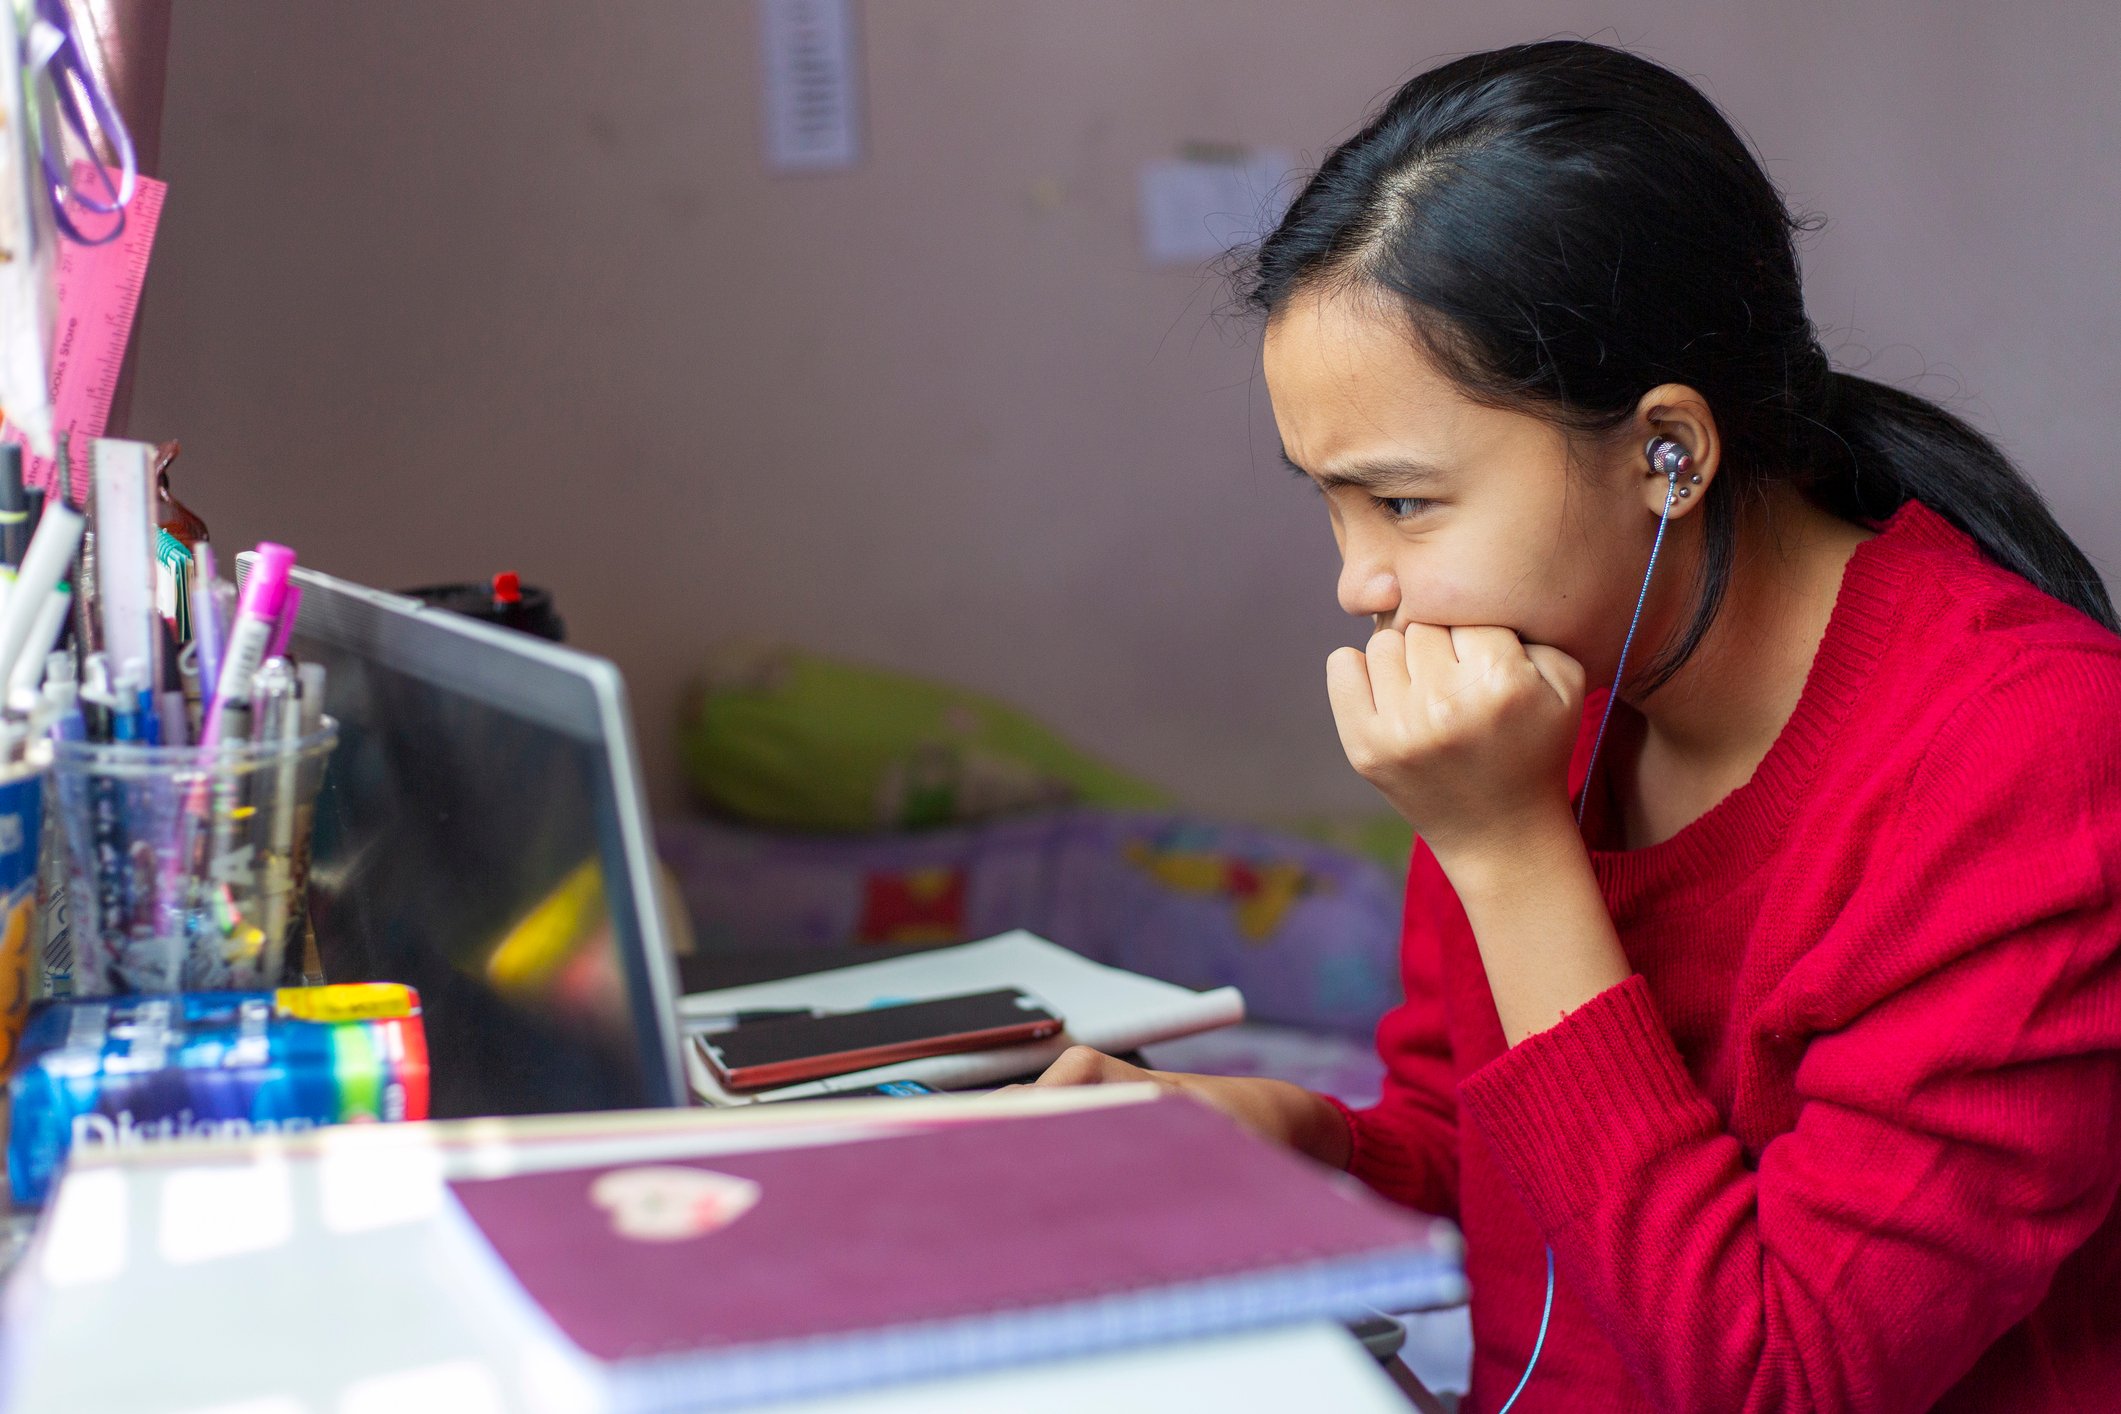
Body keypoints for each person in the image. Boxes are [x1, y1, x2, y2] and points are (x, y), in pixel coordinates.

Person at [1034, 40, 2121, 1412]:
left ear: (1667, 449)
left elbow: (1778, 1376)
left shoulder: (2030, 759)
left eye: (1402, 503)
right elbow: (1500, 1158)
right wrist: (1289, 1133)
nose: (1357, 582)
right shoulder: (1552, 681)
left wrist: (1510, 849)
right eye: (1326, 499)